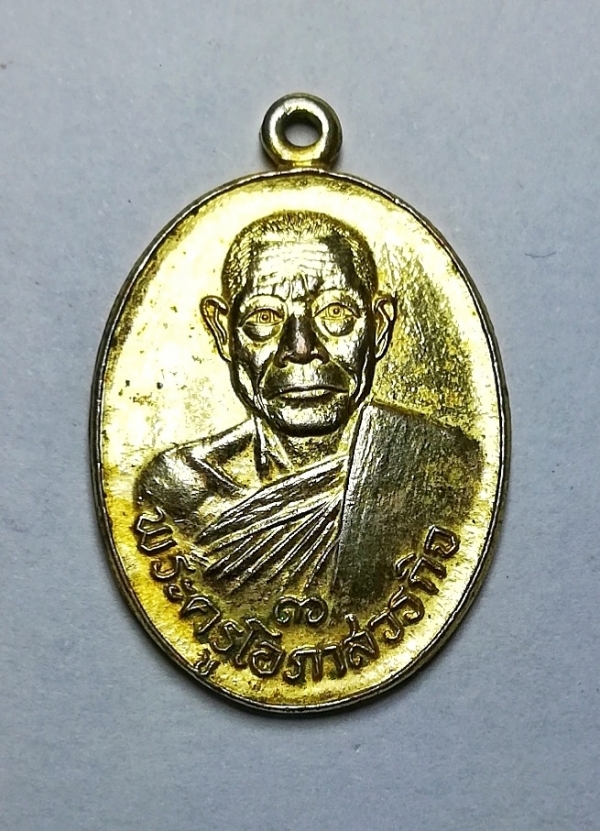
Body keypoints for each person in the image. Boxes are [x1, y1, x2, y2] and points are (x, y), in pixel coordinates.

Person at [137, 210, 480, 608]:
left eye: (335, 313)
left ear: (379, 326)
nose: (300, 348)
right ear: (222, 331)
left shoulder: (441, 468)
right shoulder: (180, 489)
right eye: (265, 317)